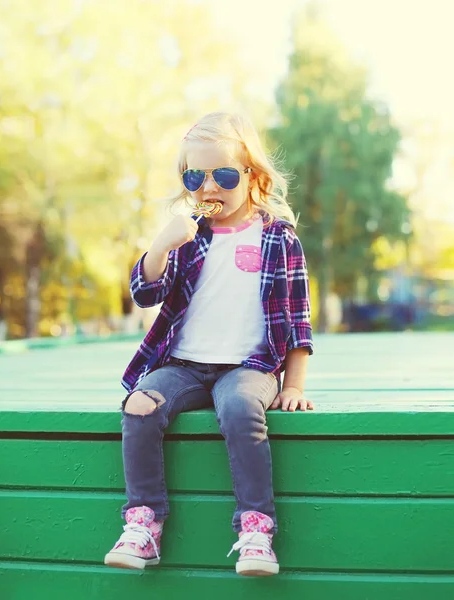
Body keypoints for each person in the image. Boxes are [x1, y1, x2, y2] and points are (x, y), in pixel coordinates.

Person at [104, 111, 314, 577]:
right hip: (182, 364)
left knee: (240, 410)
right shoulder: (187, 237)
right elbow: (146, 293)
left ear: (252, 176)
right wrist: (159, 247)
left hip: (248, 367)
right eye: (194, 176)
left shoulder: (277, 238)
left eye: (222, 175)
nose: (208, 188)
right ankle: (143, 524)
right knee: (138, 405)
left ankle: (256, 529)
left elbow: (296, 319)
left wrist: (294, 385)